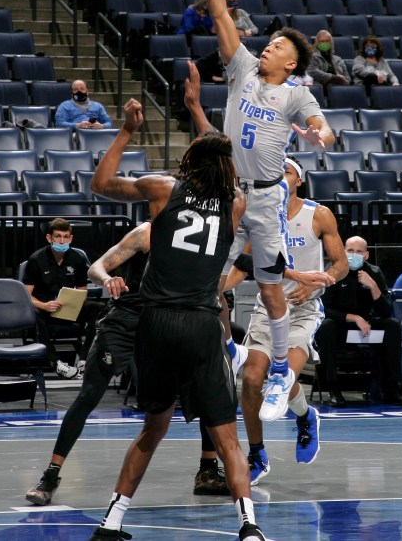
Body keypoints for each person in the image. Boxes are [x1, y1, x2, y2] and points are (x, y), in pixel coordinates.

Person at [87, 100, 267, 541]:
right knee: (226, 436)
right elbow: (221, 159)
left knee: (153, 428)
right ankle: (249, 527)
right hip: (203, 325)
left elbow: (101, 184)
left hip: (158, 322)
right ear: (226, 167)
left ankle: (112, 522)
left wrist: (128, 131)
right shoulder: (236, 203)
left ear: (189, 159)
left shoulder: (164, 188)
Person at [193, 0, 335, 424]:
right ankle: (229, 347)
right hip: (227, 192)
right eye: (269, 40)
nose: (269, 44)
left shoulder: (296, 92)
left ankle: (280, 369)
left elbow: (323, 126)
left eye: (279, 45)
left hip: (267, 197)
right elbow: (219, 13)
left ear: (293, 63)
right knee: (210, 282)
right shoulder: (243, 70)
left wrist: (320, 133)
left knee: (271, 290)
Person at [25, 221, 235, 505]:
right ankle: (51, 473)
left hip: (171, 323)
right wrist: (107, 279)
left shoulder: (203, 236)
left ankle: (208, 472)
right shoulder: (146, 233)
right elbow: (95, 268)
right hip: (127, 321)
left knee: (206, 390)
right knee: (88, 396)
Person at [232, 156, 347, 484]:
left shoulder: (319, 215)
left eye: (286, 172)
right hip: (267, 307)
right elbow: (244, 262)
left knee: (282, 377)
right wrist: (220, 286)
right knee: (253, 380)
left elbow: (340, 264)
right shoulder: (261, 216)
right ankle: (257, 452)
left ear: (299, 180)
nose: (279, 177)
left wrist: (320, 280)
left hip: (304, 309)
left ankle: (304, 417)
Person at [315, 235, 402, 408]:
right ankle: (333, 390)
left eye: (359, 251)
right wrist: (354, 318)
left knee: (392, 326)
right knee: (326, 326)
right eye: (350, 251)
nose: (354, 255)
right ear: (343, 251)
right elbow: (323, 310)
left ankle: (392, 389)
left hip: (366, 329)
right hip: (340, 328)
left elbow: (386, 311)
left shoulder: (374, 273)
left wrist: (373, 286)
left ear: (366, 255)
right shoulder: (332, 272)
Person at [22, 218, 106, 380]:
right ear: (49, 238)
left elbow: (82, 291)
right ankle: (56, 363)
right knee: (33, 313)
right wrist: (44, 305)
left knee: (99, 307)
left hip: (68, 308)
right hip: (45, 308)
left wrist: (74, 303)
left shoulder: (78, 259)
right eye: (58, 236)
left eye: (66, 237)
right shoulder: (36, 260)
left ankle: (83, 359)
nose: (62, 241)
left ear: (71, 238)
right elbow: (26, 295)